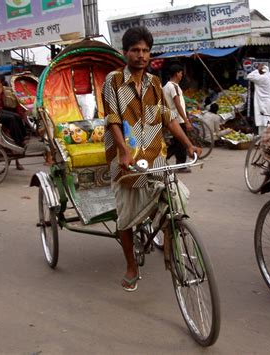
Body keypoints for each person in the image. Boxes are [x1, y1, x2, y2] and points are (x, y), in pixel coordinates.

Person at [102, 26, 200, 292]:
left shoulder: (155, 83)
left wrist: (188, 143)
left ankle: (170, 242)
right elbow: (112, 118)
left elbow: (167, 117)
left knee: (174, 197)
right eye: (135, 50)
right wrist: (123, 151)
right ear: (126, 52)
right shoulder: (113, 81)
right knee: (126, 217)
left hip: (154, 155)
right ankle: (131, 266)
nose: (141, 55)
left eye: (145, 50)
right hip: (126, 158)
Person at [163, 64, 193, 173]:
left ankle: (162, 159)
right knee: (180, 144)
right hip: (178, 120)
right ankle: (181, 165)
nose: (181, 75)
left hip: (172, 118)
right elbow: (178, 105)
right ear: (176, 73)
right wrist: (186, 120)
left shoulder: (166, 86)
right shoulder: (173, 86)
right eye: (181, 73)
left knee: (176, 143)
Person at [247, 64, 270, 135]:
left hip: (263, 103)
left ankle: (265, 139)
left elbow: (249, 76)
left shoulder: (261, 78)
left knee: (264, 121)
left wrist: (257, 70)